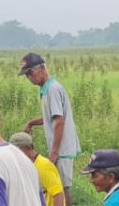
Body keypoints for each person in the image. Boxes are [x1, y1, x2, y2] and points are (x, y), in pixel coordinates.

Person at [19, 52, 80, 189]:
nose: (29, 78)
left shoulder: (53, 89)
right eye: (26, 75)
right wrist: (31, 123)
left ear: (41, 69)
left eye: (30, 73)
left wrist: (54, 152)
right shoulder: (46, 90)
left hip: (62, 150)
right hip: (59, 148)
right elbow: (50, 117)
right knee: (56, 186)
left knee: (63, 188)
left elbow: (59, 121)